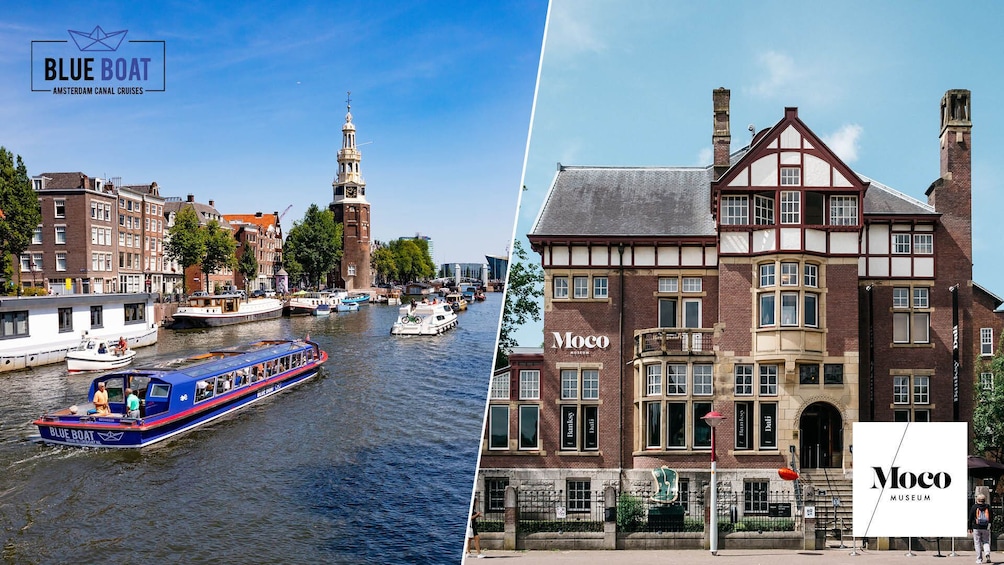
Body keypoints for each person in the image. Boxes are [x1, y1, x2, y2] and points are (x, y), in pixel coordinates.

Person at [969, 492, 994, 563]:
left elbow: (970, 518)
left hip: (976, 527)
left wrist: (969, 527)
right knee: (986, 541)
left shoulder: (974, 507)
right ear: (984, 500)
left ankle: (979, 559)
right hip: (986, 527)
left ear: (977, 500)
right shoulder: (988, 507)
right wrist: (990, 525)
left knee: (977, 543)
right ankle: (987, 553)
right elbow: (991, 517)